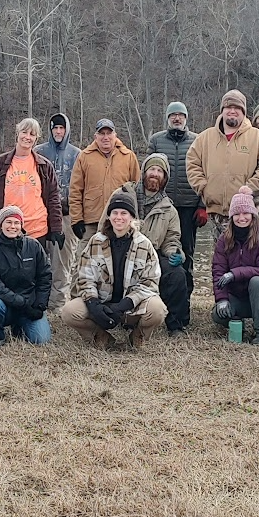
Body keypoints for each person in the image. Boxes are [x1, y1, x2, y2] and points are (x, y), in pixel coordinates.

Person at [60, 191, 167, 349]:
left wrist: (124, 305)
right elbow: (85, 278)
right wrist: (93, 305)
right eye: (114, 213)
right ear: (109, 216)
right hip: (102, 303)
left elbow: (150, 283)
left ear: (132, 218)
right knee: (68, 312)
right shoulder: (95, 241)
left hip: (130, 306)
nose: (119, 217)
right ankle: (99, 335)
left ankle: (138, 335)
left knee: (158, 310)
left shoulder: (144, 244)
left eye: (124, 213)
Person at [0, 119, 64, 308]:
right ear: (17, 134)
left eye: (32, 134)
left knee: (35, 273)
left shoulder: (43, 165)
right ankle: (8, 308)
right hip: (8, 229)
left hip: (37, 228)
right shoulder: (1, 163)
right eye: (24, 133)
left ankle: (35, 309)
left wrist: (56, 227)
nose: (27, 137)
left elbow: (53, 198)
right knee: (8, 272)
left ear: (36, 139)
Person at [114, 154, 187, 333]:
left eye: (159, 171)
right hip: (119, 250)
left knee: (177, 274)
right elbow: (106, 225)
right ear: (144, 172)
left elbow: (171, 240)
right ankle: (111, 315)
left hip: (151, 255)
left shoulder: (169, 209)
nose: (155, 174)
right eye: (152, 169)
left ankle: (176, 324)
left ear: (165, 178)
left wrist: (174, 253)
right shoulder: (123, 194)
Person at [185, 90, 259, 238]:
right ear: (222, 111)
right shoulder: (204, 138)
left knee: (248, 257)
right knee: (221, 258)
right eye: (228, 107)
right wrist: (204, 188)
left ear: (244, 111)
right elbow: (192, 163)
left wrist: (251, 187)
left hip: (248, 213)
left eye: (237, 108)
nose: (232, 111)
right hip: (216, 214)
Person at [210, 188, 259, 345]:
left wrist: (234, 274)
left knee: (257, 281)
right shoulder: (223, 240)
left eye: (245, 213)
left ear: (253, 215)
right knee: (217, 314)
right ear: (231, 216)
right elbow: (218, 271)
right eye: (237, 214)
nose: (241, 218)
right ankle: (236, 322)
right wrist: (222, 299)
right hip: (237, 296)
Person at [0, 206, 53, 345]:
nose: (13, 226)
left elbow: (45, 276)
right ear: (0, 225)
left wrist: (40, 305)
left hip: (30, 306)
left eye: (16, 223)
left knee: (41, 340)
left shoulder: (33, 245)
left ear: (22, 225)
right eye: (8, 222)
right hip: (4, 305)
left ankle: (19, 327)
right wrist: (21, 303)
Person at [35, 113, 82, 310]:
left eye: (62, 128)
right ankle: (37, 302)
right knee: (37, 259)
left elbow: (82, 186)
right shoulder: (38, 152)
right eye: (55, 128)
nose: (58, 132)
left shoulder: (77, 154)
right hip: (39, 214)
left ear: (67, 130)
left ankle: (57, 305)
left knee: (62, 262)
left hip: (66, 215)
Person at [148, 101, 201, 275]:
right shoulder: (156, 140)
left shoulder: (197, 140)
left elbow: (205, 172)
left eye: (180, 115)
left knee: (187, 250)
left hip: (189, 205)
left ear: (186, 118)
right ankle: (160, 290)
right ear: (167, 118)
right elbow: (148, 172)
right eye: (173, 115)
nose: (176, 118)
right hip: (161, 205)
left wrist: (202, 206)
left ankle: (186, 294)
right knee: (158, 247)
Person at [68, 118, 141, 243]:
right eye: (102, 133)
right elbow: (75, 191)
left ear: (115, 135)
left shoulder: (128, 156)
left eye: (109, 133)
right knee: (85, 259)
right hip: (91, 222)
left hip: (120, 221)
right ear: (95, 136)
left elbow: (138, 189)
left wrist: (135, 219)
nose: (105, 137)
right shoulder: (84, 157)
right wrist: (76, 220)